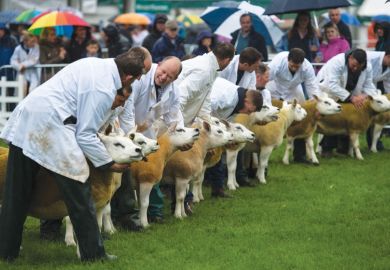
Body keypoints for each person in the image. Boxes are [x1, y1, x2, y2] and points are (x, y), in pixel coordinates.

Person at [0, 47, 147, 262]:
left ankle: (6, 251)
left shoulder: (97, 65)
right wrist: (108, 163)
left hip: (29, 118)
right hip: (50, 125)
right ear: (129, 77)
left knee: (16, 190)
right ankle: (94, 255)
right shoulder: (104, 88)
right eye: (137, 79)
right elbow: (86, 135)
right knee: (79, 186)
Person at [113, 56, 186, 224]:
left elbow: (174, 116)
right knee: (122, 173)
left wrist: (181, 134)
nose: (164, 77)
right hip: (126, 129)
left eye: (169, 76)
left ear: (175, 79)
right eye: (163, 71)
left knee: (152, 170)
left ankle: (155, 211)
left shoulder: (173, 91)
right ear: (158, 65)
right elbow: (127, 108)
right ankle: (123, 214)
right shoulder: (141, 77)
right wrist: (130, 135)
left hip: (146, 132)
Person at [206, 77, 263, 196]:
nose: (248, 114)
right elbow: (205, 109)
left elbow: (225, 121)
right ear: (247, 102)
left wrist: (227, 139)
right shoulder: (227, 97)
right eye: (249, 110)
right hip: (200, 118)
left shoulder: (238, 104)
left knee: (218, 154)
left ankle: (218, 188)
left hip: (212, 124)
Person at [317, 49, 377, 156]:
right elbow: (332, 85)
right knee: (333, 117)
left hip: (351, 92)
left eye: (358, 67)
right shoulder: (337, 62)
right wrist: (351, 98)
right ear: (350, 58)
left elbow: (369, 86)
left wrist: (362, 96)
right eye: (353, 65)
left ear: (363, 64)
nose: (355, 68)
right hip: (329, 90)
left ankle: (343, 149)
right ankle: (327, 149)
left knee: (349, 118)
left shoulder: (367, 67)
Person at [267, 48, 321, 163]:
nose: (294, 68)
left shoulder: (307, 67)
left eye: (297, 66)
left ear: (302, 63)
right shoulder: (279, 60)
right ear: (288, 59)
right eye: (292, 65)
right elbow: (266, 77)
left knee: (302, 118)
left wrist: (316, 106)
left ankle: (299, 156)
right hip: (274, 88)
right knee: (270, 118)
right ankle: (265, 149)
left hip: (294, 90)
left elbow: (313, 88)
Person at [175, 42, 235, 126]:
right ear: (227, 60)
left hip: (178, 119)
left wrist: (208, 121)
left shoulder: (212, 68)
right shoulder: (204, 70)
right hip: (169, 120)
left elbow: (205, 98)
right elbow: (181, 95)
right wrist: (178, 125)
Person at [365, 50, 390, 151]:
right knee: (356, 119)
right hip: (359, 88)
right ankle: (346, 147)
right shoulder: (370, 58)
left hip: (373, 91)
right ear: (388, 56)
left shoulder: (388, 65)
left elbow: (388, 83)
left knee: (374, 118)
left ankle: (374, 144)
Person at [10, 30, 40, 94]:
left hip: (33, 72)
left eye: (34, 41)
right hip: (22, 72)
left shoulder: (36, 47)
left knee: (33, 90)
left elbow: (34, 60)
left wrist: (22, 64)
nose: (33, 43)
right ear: (25, 41)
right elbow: (13, 60)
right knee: (21, 92)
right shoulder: (18, 49)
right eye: (31, 41)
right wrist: (19, 66)